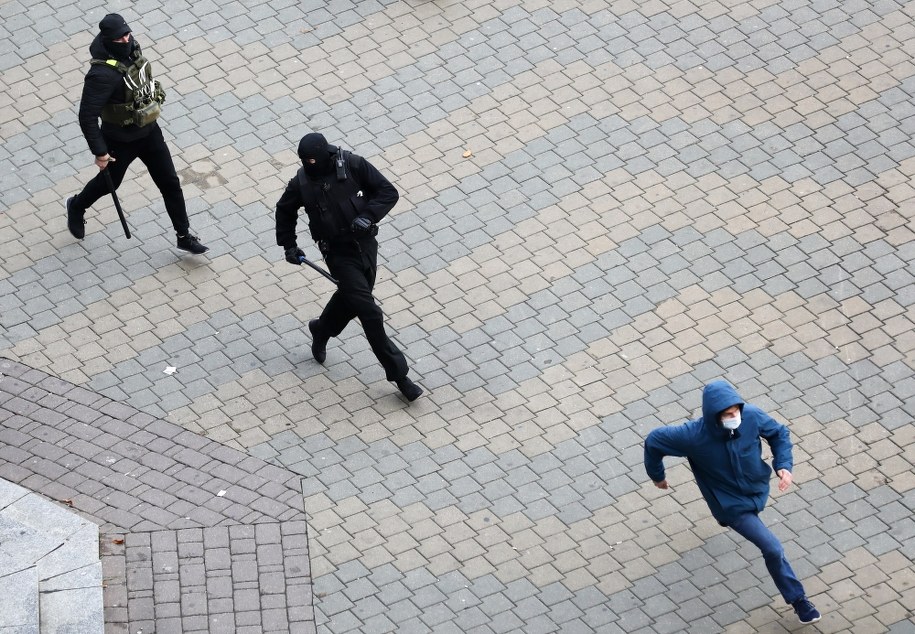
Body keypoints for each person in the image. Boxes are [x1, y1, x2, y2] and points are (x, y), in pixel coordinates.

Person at [644, 380, 821, 625]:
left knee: (767, 539)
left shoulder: (751, 416)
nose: (735, 416)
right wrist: (657, 476)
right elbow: (654, 441)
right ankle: (799, 600)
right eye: (728, 414)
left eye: (736, 410)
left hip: (758, 488)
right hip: (731, 505)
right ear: (714, 415)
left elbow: (779, 433)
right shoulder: (692, 436)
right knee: (772, 548)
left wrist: (783, 465)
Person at [275, 133, 423, 402]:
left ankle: (321, 329)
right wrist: (289, 245)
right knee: (369, 311)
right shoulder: (302, 183)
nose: (309, 165)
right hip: (337, 254)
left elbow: (388, 192)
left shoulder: (353, 165)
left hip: (365, 246)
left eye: (312, 160)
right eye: (304, 161)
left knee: (352, 298)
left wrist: (368, 216)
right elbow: (284, 210)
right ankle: (400, 376)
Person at [66, 13, 208, 254]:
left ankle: (184, 236)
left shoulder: (131, 51)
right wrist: (100, 152)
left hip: (150, 132)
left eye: (128, 33)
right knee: (110, 183)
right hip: (120, 140)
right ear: (108, 40)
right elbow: (86, 116)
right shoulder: (100, 75)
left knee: (171, 183)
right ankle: (77, 205)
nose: (127, 39)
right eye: (121, 37)